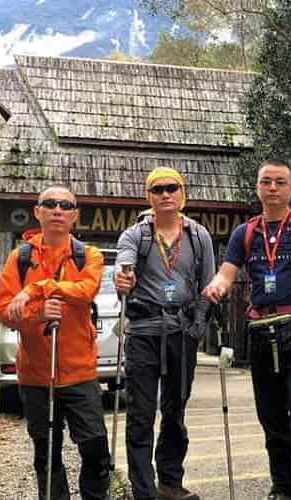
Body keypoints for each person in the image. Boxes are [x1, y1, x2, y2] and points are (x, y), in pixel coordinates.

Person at [203, 159, 291, 500]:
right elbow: (227, 272)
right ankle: (282, 486)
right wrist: (217, 286)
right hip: (262, 333)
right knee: (271, 418)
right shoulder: (244, 233)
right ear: (258, 187)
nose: (273, 188)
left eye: (280, 182)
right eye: (266, 182)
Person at [0, 185, 111, 500]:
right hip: (35, 374)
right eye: (50, 204)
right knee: (47, 454)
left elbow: (85, 290)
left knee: (96, 449)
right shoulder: (20, 258)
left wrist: (37, 289)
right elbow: (4, 311)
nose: (57, 210)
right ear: (38, 212)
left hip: (80, 373)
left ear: (74, 215)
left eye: (65, 205)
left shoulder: (89, 256)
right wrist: (38, 313)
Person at [113, 167, 215, 500]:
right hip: (143, 331)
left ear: (182, 194)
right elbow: (123, 266)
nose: (165, 194)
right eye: (158, 189)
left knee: (176, 410)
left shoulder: (199, 237)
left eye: (172, 188)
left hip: (181, 333)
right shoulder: (135, 235)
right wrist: (122, 278)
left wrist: (199, 325)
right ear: (149, 197)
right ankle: (143, 491)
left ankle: (170, 482)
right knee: (140, 413)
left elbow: (208, 286)